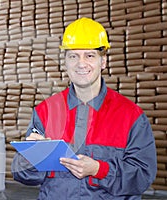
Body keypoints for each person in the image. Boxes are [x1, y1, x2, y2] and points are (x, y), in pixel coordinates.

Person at [11, 17, 157, 199]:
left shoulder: (131, 116)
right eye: (73, 55)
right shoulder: (45, 111)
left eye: (89, 55)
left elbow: (143, 176)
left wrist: (99, 169)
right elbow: (21, 174)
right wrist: (31, 156)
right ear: (65, 62)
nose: (81, 63)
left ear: (103, 61)